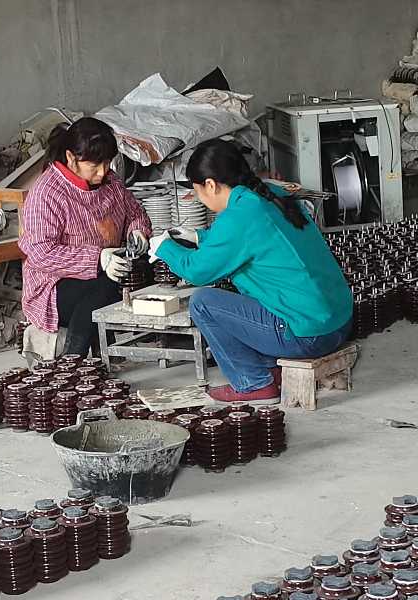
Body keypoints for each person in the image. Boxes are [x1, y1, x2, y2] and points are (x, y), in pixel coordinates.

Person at [150, 139, 354, 403]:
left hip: (308, 334)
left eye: (198, 191)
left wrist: (165, 248)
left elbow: (197, 271)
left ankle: (253, 383)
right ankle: (270, 369)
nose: (199, 199)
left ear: (210, 185)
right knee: (253, 295)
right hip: (338, 322)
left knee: (203, 303)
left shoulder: (239, 216)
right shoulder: (269, 194)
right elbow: (246, 239)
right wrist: (199, 236)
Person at [19, 116, 151, 357]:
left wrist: (138, 231)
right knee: (105, 289)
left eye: (107, 163)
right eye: (95, 165)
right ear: (71, 158)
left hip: (107, 269)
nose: (103, 172)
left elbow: (135, 212)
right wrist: (98, 258)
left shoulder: (110, 181)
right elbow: (41, 253)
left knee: (148, 268)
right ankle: (74, 361)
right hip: (55, 285)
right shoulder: (47, 193)